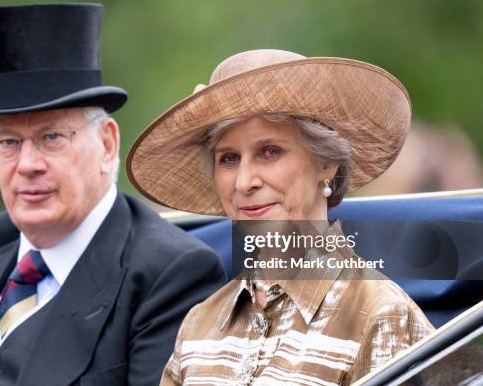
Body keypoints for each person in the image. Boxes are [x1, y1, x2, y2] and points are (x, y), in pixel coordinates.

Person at [0, 4, 226, 386]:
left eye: (51, 137)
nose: (27, 164)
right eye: (8, 142)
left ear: (107, 145)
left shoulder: (168, 273)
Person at [127, 49, 435, 385]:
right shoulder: (198, 324)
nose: (244, 182)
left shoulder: (382, 315)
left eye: (270, 152)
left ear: (326, 162)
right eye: (228, 158)